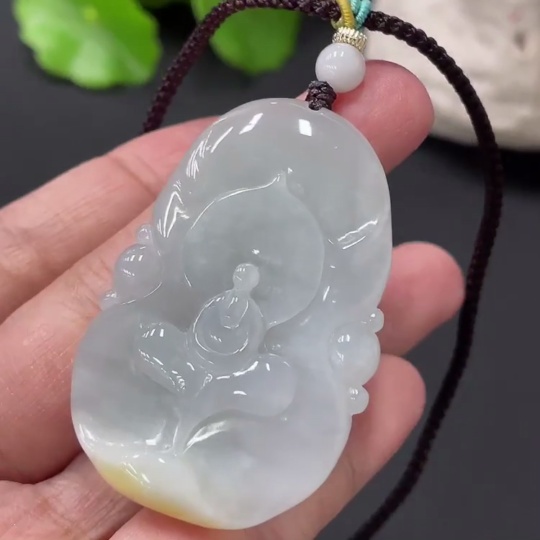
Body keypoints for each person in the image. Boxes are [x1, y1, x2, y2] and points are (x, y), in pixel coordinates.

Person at [0, 61, 464, 539]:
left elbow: (284, 386)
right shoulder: (160, 338)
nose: (234, 306)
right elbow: (140, 332)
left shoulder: (267, 378)